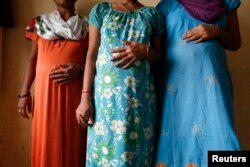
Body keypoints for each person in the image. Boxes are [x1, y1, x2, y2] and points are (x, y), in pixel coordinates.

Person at [75, 0, 164, 166]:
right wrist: (85, 97)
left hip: (139, 99)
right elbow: (91, 55)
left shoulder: (152, 15)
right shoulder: (102, 10)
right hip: (105, 100)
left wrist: (146, 50)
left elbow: (160, 60)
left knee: (135, 154)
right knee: (105, 151)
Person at [154, 0, 242, 166]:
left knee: (220, 129)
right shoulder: (165, 6)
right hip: (176, 84)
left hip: (213, 81)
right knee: (175, 131)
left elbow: (236, 43)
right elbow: (157, 53)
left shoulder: (225, 2)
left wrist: (217, 32)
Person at [17, 0, 88, 166]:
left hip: (75, 97)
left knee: (73, 139)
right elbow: (33, 59)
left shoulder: (87, 27)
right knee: (46, 138)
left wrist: (80, 69)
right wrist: (24, 93)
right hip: (44, 97)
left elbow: (96, 61)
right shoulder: (39, 23)